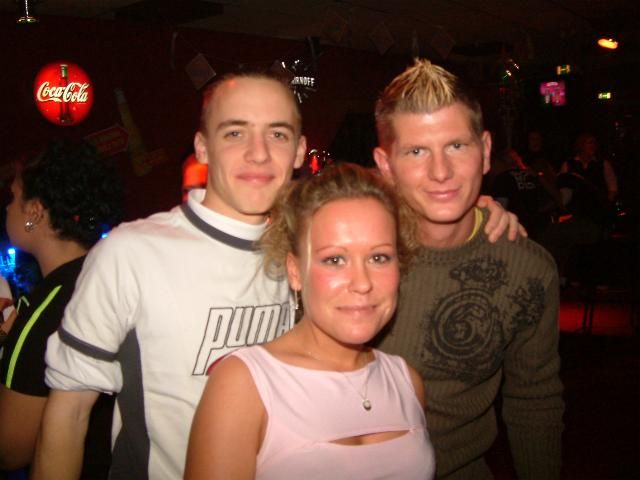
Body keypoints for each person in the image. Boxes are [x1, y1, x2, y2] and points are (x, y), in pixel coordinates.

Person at [32, 71, 307, 480]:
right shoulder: (132, 253)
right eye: (235, 133)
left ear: (299, 151)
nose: (259, 153)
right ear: (202, 147)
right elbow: (68, 414)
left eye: (278, 134)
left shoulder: (311, 255)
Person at [373, 59, 564, 479]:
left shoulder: (528, 269)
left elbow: (534, 399)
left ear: (486, 151)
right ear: (386, 166)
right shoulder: (345, 252)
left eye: (457, 146)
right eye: (416, 151)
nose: (441, 172)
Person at [185, 162, 436, 480]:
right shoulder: (245, 385)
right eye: (335, 260)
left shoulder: (406, 382)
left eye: (379, 257)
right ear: (294, 271)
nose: (362, 283)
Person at [0, 140, 122, 477]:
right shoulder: (113, 279)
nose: (7, 209)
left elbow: (10, 449)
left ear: (35, 212)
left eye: (12, 198)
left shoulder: (47, 309)